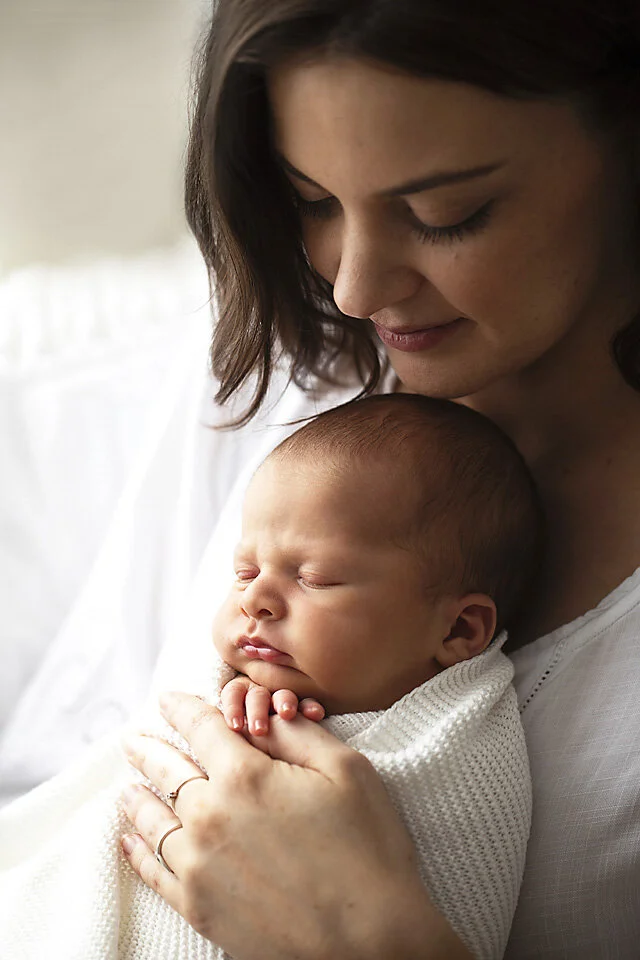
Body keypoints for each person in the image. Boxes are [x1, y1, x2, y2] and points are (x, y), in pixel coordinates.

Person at [2, 0, 640, 957]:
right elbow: (79, 783)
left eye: (445, 215)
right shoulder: (286, 371)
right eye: (313, 200)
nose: (355, 288)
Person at [0, 392, 538, 960]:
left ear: (458, 630)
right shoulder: (241, 680)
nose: (254, 598)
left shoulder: (461, 744)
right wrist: (233, 701)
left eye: (315, 578)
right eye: (245, 570)